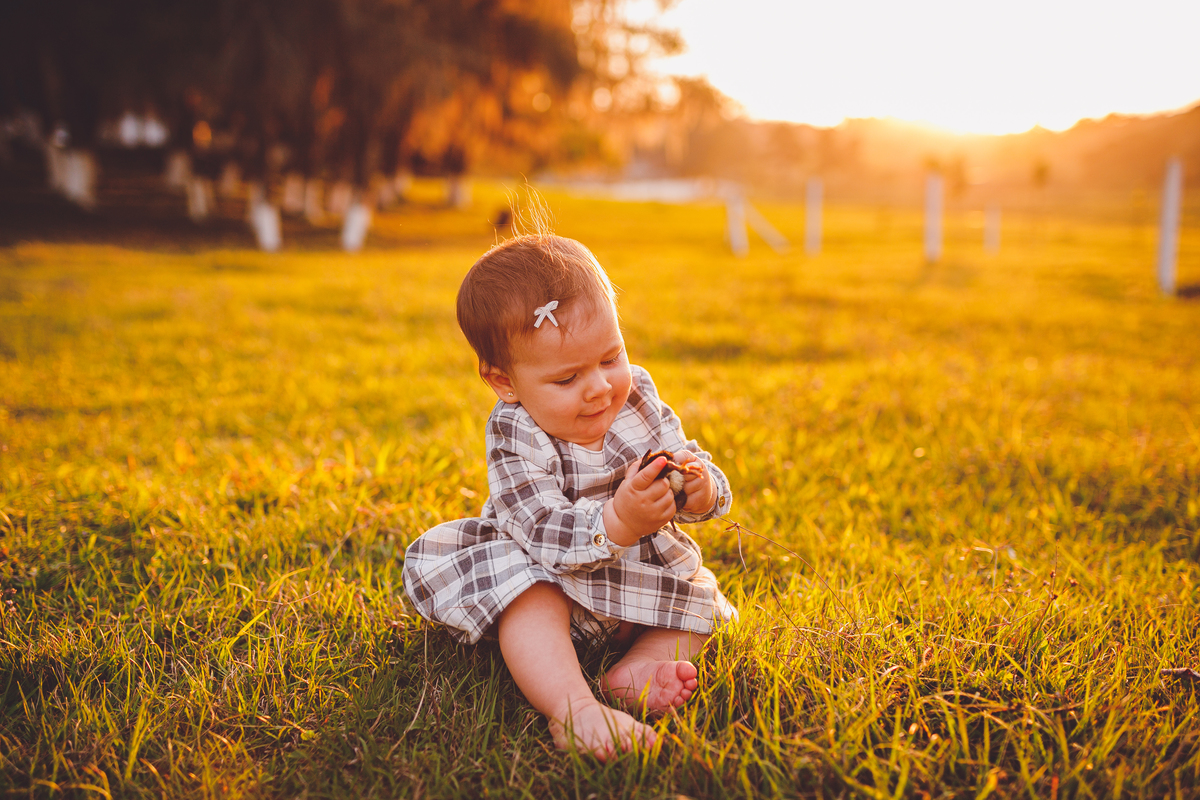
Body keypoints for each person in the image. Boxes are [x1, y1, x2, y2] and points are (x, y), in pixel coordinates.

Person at [402, 233, 737, 760]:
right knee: (521, 588)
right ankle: (574, 708)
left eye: (611, 357)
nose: (600, 387)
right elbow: (538, 530)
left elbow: (688, 462)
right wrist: (620, 518)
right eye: (566, 378)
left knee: (700, 600)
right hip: (554, 583)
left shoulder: (638, 397)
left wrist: (699, 489)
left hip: (637, 580)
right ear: (504, 381)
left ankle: (640, 666)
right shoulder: (516, 431)